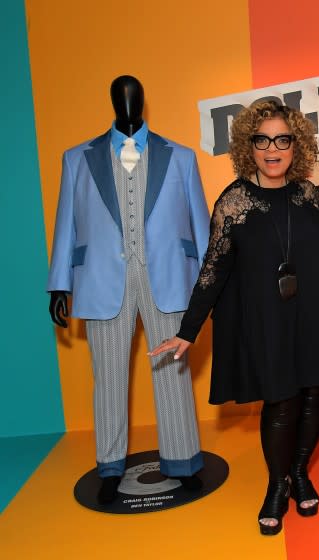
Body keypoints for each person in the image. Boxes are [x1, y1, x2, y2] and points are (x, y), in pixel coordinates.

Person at [150, 101, 319, 535]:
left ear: (296, 145)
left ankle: (299, 471)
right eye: (262, 140)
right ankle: (277, 485)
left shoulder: (308, 195)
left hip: (315, 311)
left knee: (315, 398)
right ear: (248, 147)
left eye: (282, 139)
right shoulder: (234, 201)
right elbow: (213, 270)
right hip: (267, 321)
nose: (272, 149)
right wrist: (188, 330)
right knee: (282, 402)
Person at [47, 75, 208, 504]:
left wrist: (213, 283)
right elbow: (66, 224)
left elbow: (200, 223)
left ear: (143, 101)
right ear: (113, 101)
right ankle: (110, 464)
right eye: (121, 95)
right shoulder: (77, 158)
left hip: (170, 276)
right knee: (108, 378)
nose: (128, 101)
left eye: (134, 95)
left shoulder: (182, 157)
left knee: (172, 371)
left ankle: (183, 459)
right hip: (102, 278)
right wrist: (59, 283)